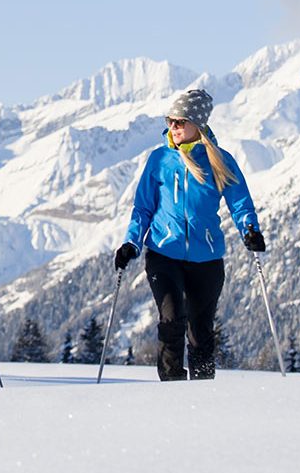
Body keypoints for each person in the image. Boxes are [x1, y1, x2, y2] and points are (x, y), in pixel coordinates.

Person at [113, 89, 264, 381]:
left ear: (198, 124)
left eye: (180, 121)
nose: (174, 127)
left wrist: (250, 230)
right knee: (171, 320)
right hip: (163, 252)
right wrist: (131, 242)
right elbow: (143, 208)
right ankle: (172, 389)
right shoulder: (159, 159)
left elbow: (240, 202)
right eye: (171, 121)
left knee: (200, 331)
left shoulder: (220, 160)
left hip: (206, 258)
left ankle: (202, 393)